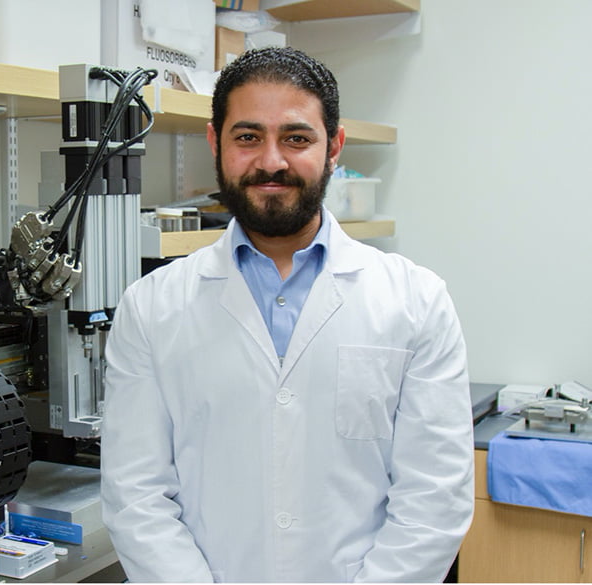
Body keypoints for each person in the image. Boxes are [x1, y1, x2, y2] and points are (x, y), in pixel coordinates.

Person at [100, 46, 474, 582]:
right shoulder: (152, 307)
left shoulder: (416, 301)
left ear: (334, 146)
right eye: (248, 137)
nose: (271, 161)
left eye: (296, 138)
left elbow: (434, 499)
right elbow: (136, 495)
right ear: (216, 143)